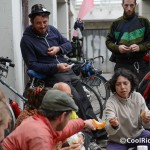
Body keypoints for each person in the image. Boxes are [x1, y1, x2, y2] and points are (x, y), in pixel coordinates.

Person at [20, 3, 105, 141]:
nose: (42, 26)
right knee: (75, 99)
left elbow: (68, 44)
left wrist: (58, 49)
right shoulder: (27, 40)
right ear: (32, 22)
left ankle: (98, 131)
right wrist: (55, 67)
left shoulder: (52, 30)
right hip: (51, 74)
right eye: (38, 23)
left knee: (83, 97)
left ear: (48, 20)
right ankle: (86, 131)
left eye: (44, 22)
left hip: (66, 69)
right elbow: (32, 65)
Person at [2, 90, 96, 150]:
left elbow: (63, 130)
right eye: (69, 116)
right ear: (62, 116)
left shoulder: (37, 121)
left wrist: (84, 123)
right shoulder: (41, 137)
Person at [105, 68, 150, 150]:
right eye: (118, 84)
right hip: (118, 141)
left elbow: (147, 124)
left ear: (131, 84)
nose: (122, 87)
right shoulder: (111, 102)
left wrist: (146, 119)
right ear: (114, 87)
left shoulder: (138, 97)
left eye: (125, 83)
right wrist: (113, 125)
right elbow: (109, 129)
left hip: (138, 137)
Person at [106, 0, 150, 82]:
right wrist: (118, 48)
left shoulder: (144, 21)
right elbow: (108, 42)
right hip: (121, 64)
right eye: (126, 5)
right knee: (121, 91)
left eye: (131, 5)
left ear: (135, 5)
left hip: (140, 64)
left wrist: (140, 47)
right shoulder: (116, 23)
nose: (129, 8)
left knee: (140, 92)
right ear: (122, 5)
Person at [53, 82, 102, 150]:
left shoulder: (70, 110)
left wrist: (81, 136)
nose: (69, 99)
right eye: (64, 96)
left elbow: (78, 128)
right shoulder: (51, 113)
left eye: (70, 96)